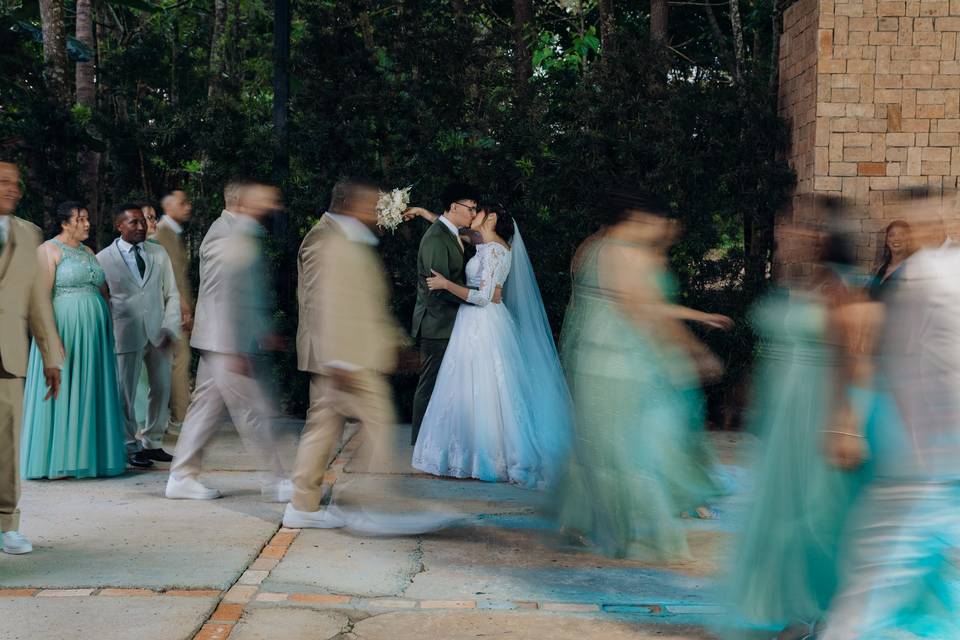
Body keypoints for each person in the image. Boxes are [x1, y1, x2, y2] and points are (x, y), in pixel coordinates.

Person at [552, 188, 728, 560]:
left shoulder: (591, 249)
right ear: (636, 219)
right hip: (622, 362)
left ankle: (582, 523)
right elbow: (644, 311)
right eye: (653, 222)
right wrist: (692, 352)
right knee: (627, 450)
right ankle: (634, 536)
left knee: (595, 444)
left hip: (591, 357)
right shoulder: (627, 254)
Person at [726, 221, 878, 640]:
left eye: (795, 238)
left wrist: (847, 423)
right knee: (784, 508)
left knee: (817, 512)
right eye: (783, 238)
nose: (784, 243)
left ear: (821, 243)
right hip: (785, 412)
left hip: (819, 408)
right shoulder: (797, 283)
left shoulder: (839, 287)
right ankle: (799, 608)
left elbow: (855, 358)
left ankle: (825, 612)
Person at [821, 196, 960, 639]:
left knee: (881, 571)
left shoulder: (934, 275)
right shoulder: (926, 275)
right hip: (918, 449)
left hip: (926, 454)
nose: (904, 234)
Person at [285, 178, 419, 529]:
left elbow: (364, 300)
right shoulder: (322, 239)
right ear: (347, 204)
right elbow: (320, 303)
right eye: (369, 205)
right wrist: (339, 359)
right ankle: (367, 504)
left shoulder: (348, 237)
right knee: (377, 425)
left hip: (352, 354)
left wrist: (394, 342)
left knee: (324, 428)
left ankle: (304, 504)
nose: (375, 212)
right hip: (342, 357)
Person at [411, 203, 572, 487]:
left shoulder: (496, 250)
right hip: (472, 321)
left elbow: (484, 297)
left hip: (483, 322)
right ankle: (464, 454)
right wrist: (425, 214)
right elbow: (454, 229)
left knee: (487, 386)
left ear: (493, 218)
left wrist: (447, 285)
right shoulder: (483, 243)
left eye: (478, 212)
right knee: (465, 385)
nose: (472, 217)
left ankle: (488, 456)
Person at [166, 179, 288, 501]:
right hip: (225, 341)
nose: (271, 205)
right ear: (242, 201)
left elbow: (244, 291)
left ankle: (181, 476)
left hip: (223, 340)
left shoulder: (239, 231)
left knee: (205, 408)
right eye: (264, 198)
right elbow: (221, 294)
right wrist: (233, 345)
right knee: (253, 409)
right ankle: (276, 480)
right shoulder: (226, 233)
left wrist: (261, 330)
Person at [20, 202, 127, 480]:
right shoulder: (48, 250)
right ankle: (59, 459)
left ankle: (92, 456)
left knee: (90, 389)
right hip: (66, 329)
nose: (87, 224)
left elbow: (102, 290)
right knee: (67, 388)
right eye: (80, 219)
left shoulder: (89, 251)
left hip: (94, 336)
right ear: (64, 223)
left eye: (87, 219)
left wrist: (108, 318)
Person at [0, 162, 63, 555]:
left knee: (7, 444)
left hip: (8, 355)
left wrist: (51, 356)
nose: (13, 188)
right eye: (3, 182)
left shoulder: (28, 234)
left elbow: (38, 299)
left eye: (15, 182)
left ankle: (7, 524)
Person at [97, 204, 181, 468]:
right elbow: (102, 299)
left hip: (159, 332)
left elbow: (172, 294)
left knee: (161, 388)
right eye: (133, 222)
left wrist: (170, 327)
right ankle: (129, 445)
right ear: (118, 225)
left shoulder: (159, 253)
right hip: (124, 333)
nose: (141, 226)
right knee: (125, 393)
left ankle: (153, 442)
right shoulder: (103, 259)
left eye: (143, 221)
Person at [409, 183, 481, 446]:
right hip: (437, 323)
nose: (474, 214)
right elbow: (437, 287)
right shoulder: (437, 238)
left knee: (444, 386)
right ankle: (418, 443)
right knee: (430, 386)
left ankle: (436, 442)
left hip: (451, 322)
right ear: (453, 207)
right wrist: (477, 296)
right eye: (470, 208)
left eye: (475, 209)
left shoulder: (452, 232)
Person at [155, 190, 194, 436]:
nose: (188, 206)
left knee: (177, 363)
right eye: (182, 202)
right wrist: (184, 308)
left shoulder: (173, 234)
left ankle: (178, 417)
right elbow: (169, 276)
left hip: (176, 308)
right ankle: (180, 419)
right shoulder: (163, 234)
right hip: (171, 311)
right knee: (180, 362)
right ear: (168, 206)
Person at [868, 220, 912, 300]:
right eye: (891, 235)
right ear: (887, 241)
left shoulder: (913, 269)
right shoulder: (880, 268)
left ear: (909, 240)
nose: (896, 238)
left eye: (902, 234)